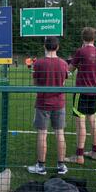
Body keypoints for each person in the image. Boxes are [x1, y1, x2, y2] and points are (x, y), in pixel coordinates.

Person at [28, 37, 69, 175]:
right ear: (57, 47)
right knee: (60, 133)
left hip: (43, 102)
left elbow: (35, 83)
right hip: (59, 103)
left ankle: (41, 165)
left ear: (45, 46)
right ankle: (61, 165)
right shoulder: (63, 64)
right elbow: (63, 82)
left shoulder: (39, 63)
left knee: (42, 134)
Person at [65, 27, 96, 165]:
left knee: (80, 122)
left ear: (83, 37)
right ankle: (95, 152)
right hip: (94, 91)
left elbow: (69, 70)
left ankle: (79, 156)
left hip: (82, 91)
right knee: (93, 121)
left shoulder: (81, 51)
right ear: (94, 38)